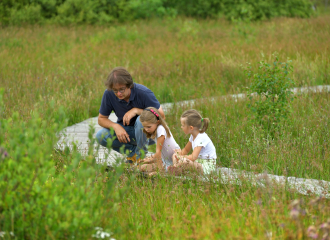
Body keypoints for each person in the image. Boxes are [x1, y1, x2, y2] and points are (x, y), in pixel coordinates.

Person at [95, 67, 165, 164]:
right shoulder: (109, 94)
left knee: (141, 120)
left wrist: (136, 111)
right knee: (101, 136)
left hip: (148, 134)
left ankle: (141, 157)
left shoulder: (143, 92)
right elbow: (101, 119)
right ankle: (133, 154)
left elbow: (161, 115)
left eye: (122, 90)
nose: (118, 93)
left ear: (129, 86)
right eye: (115, 90)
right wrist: (116, 126)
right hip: (127, 131)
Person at [172, 109, 217, 175]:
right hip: (198, 162)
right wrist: (179, 153)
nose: (181, 127)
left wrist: (181, 157)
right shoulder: (193, 136)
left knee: (183, 161)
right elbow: (186, 150)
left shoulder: (201, 138)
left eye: (183, 125)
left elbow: (193, 157)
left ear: (191, 128)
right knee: (174, 155)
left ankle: (176, 169)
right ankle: (176, 169)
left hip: (206, 166)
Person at [139, 107, 180, 176]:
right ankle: (166, 169)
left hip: (175, 159)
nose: (146, 129)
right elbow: (158, 154)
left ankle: (168, 170)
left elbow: (158, 152)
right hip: (165, 161)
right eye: (144, 127)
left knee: (151, 173)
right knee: (142, 168)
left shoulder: (160, 129)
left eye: (149, 127)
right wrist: (150, 159)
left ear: (157, 122)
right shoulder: (155, 129)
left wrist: (159, 170)